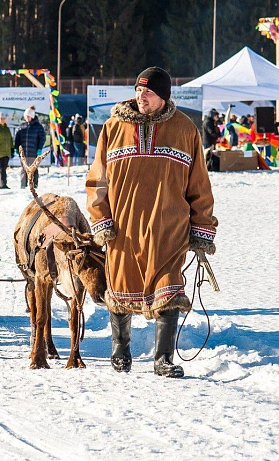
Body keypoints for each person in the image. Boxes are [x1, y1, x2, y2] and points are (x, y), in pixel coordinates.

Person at [86, 66, 217, 378]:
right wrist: (100, 219)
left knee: (169, 289)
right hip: (124, 229)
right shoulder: (113, 126)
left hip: (169, 228)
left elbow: (199, 185)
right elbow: (96, 181)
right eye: (138, 90)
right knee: (119, 287)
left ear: (163, 96)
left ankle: (163, 359)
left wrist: (202, 228)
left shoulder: (185, 129)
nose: (140, 96)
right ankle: (120, 350)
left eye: (148, 92)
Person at [13, 105, 46, 188]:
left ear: (32, 116)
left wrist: (39, 148)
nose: (27, 118)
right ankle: (23, 185)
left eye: (29, 116)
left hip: (33, 152)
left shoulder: (38, 127)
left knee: (33, 169)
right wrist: (17, 148)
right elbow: (17, 139)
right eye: (26, 116)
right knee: (24, 169)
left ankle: (34, 185)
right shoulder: (21, 127)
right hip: (23, 153)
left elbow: (42, 138)